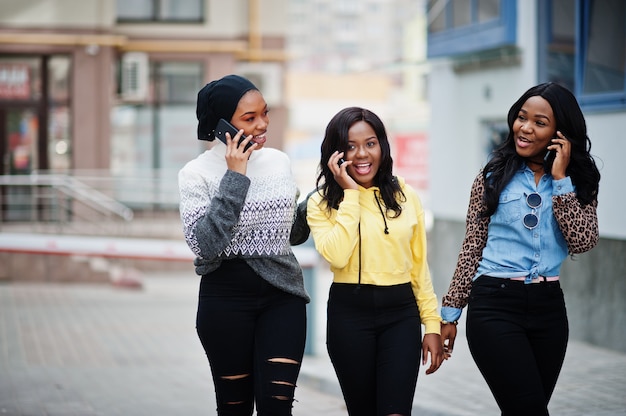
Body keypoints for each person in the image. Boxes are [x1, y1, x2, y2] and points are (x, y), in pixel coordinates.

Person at [440, 82, 601, 416]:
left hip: (549, 308)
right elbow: (472, 245)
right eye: (522, 118)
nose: (525, 128)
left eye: (539, 122)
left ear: (561, 133)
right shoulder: (492, 176)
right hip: (494, 305)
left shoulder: (578, 180)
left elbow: (583, 241)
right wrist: (450, 313)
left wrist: (560, 181)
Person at [178, 74, 310, 416]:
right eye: (249, 119)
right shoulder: (196, 173)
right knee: (234, 407)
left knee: (277, 406)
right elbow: (204, 244)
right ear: (221, 124)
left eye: (264, 113)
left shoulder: (280, 162)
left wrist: (319, 201)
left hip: (283, 297)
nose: (262, 124)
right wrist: (235, 177)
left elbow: (291, 234)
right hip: (225, 300)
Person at [306, 107, 444, 416]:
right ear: (335, 153)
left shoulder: (407, 197)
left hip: (401, 315)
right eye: (350, 146)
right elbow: (338, 255)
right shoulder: (320, 203)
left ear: (382, 145)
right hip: (349, 316)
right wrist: (351, 195)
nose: (361, 154)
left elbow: (419, 267)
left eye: (370, 143)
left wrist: (431, 325)